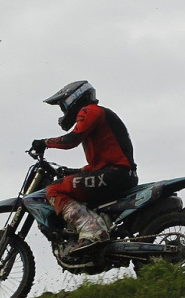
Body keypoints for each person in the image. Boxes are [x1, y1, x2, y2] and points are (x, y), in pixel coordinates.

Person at [31, 81, 138, 255]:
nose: (63, 111)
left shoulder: (89, 111)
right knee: (71, 183)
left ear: (74, 99)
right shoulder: (101, 115)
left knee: (54, 189)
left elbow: (71, 140)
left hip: (116, 173)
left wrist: (45, 143)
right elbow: (103, 161)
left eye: (63, 105)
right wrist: (75, 172)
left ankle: (92, 229)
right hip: (120, 173)